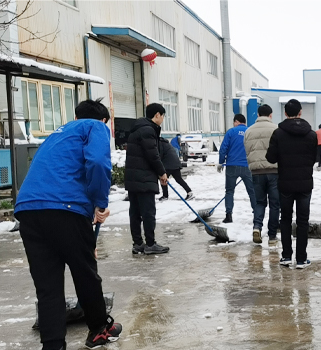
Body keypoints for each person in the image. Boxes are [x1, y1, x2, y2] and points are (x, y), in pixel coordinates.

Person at [15, 98, 122, 350]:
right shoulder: (95, 126)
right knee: (85, 273)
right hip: (65, 209)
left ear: (75, 116)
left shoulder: (57, 134)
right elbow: (98, 162)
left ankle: (53, 345)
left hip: (29, 210)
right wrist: (100, 203)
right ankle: (99, 330)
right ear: (104, 120)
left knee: (48, 285)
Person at [266, 99, 317, 269]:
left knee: (286, 219)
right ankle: (301, 259)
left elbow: (271, 158)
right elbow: (314, 158)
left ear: (285, 113)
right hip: (305, 184)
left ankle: (286, 256)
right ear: (300, 112)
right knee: (303, 221)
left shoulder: (278, 133)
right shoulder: (311, 134)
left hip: (285, 183)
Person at [124, 103, 170, 255]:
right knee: (148, 212)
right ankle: (150, 244)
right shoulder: (148, 130)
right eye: (163, 116)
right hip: (144, 177)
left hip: (133, 177)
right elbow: (153, 155)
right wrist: (162, 173)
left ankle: (138, 244)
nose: (163, 119)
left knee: (135, 212)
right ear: (157, 115)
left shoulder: (137, 128)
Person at [243, 104, 280, 245]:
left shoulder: (249, 131)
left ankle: (257, 227)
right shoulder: (276, 129)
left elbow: (247, 150)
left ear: (258, 115)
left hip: (256, 172)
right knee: (275, 204)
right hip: (274, 171)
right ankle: (272, 235)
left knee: (260, 202)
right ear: (270, 115)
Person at [218, 113, 257, 223]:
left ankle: (228, 215)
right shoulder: (250, 132)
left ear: (236, 122)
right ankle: (256, 214)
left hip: (232, 166)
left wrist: (221, 162)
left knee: (229, 191)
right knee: (252, 191)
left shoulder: (231, 132)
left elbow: (223, 148)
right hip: (247, 166)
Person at [158, 136, 193, 201]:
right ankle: (189, 192)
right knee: (179, 179)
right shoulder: (166, 143)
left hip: (169, 164)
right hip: (175, 163)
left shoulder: (159, 144)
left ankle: (165, 196)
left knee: (163, 178)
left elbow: (159, 155)